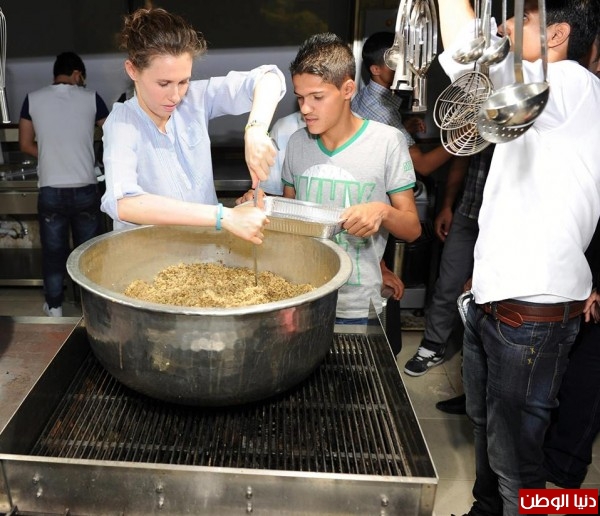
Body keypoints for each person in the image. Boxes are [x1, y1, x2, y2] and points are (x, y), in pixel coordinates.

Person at [437, 0, 600, 513]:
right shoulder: (537, 100)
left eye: (523, 18)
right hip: (497, 299)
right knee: (489, 434)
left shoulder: (569, 85)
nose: (507, 25)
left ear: (557, 35)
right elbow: (473, 67)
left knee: (517, 465)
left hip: (532, 311)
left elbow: (470, 52)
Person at [100, 7, 286, 243]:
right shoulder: (122, 123)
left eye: (183, 82)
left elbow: (269, 77)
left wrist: (256, 129)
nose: (175, 96)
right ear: (133, 70)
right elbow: (123, 203)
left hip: (205, 251)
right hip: (150, 257)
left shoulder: (196, 99)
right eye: (164, 83)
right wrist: (223, 216)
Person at [281, 32, 421, 323]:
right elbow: (290, 223)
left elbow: (411, 229)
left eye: (317, 97)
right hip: (303, 297)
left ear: (347, 89)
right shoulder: (297, 143)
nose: (305, 108)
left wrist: (382, 211)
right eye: (300, 98)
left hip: (357, 305)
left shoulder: (387, 142)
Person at [18, 51, 110, 318]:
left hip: (51, 189)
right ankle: (93, 309)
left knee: (53, 251)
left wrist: (51, 154)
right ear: (77, 74)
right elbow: (113, 133)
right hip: (85, 187)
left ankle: (55, 306)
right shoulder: (92, 98)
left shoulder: (32, 99)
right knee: (88, 253)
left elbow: (24, 144)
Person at [404, 146, 492, 381]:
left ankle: (476, 359)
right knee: (448, 283)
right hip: (468, 213)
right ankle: (433, 344)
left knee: (489, 289)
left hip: (504, 221)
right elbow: (461, 160)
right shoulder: (475, 124)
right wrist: (447, 206)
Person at [351, 31, 453, 176]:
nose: (404, 68)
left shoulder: (364, 95)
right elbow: (423, 165)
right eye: (394, 63)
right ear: (375, 69)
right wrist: (459, 139)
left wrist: (403, 129)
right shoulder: (384, 113)